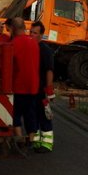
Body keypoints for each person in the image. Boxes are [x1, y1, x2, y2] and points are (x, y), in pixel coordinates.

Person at [7, 17, 40, 150]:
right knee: (30, 113)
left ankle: (20, 138)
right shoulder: (33, 42)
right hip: (33, 85)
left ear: (14, 29)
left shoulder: (13, 43)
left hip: (18, 85)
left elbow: (8, 61)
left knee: (15, 113)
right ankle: (31, 139)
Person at [30, 20, 55, 152]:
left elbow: (49, 71)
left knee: (44, 116)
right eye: (31, 32)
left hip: (41, 90)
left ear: (41, 35)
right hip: (32, 90)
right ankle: (36, 142)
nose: (32, 35)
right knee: (33, 116)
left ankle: (46, 144)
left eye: (35, 33)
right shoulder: (31, 47)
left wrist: (49, 90)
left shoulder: (45, 51)